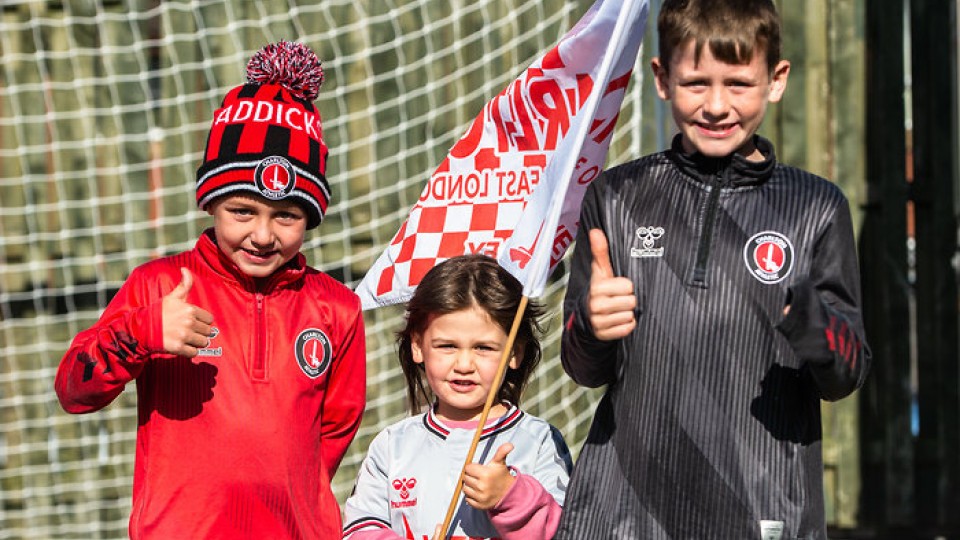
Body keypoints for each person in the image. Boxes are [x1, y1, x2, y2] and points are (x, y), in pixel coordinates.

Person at [554, 0, 871, 538]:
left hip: (762, 511)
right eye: (696, 83)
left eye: (739, 84)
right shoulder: (617, 197)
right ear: (662, 78)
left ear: (776, 80)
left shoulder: (816, 208)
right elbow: (583, 368)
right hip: (626, 516)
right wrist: (590, 325)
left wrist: (814, 324)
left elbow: (848, 373)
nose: (717, 106)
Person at [54, 41, 366, 539]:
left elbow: (333, 431)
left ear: (310, 217)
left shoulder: (337, 307)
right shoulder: (158, 286)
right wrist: (139, 333)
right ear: (211, 204)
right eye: (242, 211)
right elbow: (74, 390)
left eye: (286, 216)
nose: (262, 235)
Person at [342, 254, 572, 540]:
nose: (464, 365)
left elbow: (567, 531)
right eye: (447, 346)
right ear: (417, 346)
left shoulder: (540, 441)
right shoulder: (392, 446)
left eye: (483, 348)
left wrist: (512, 497)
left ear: (515, 352)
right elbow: (360, 529)